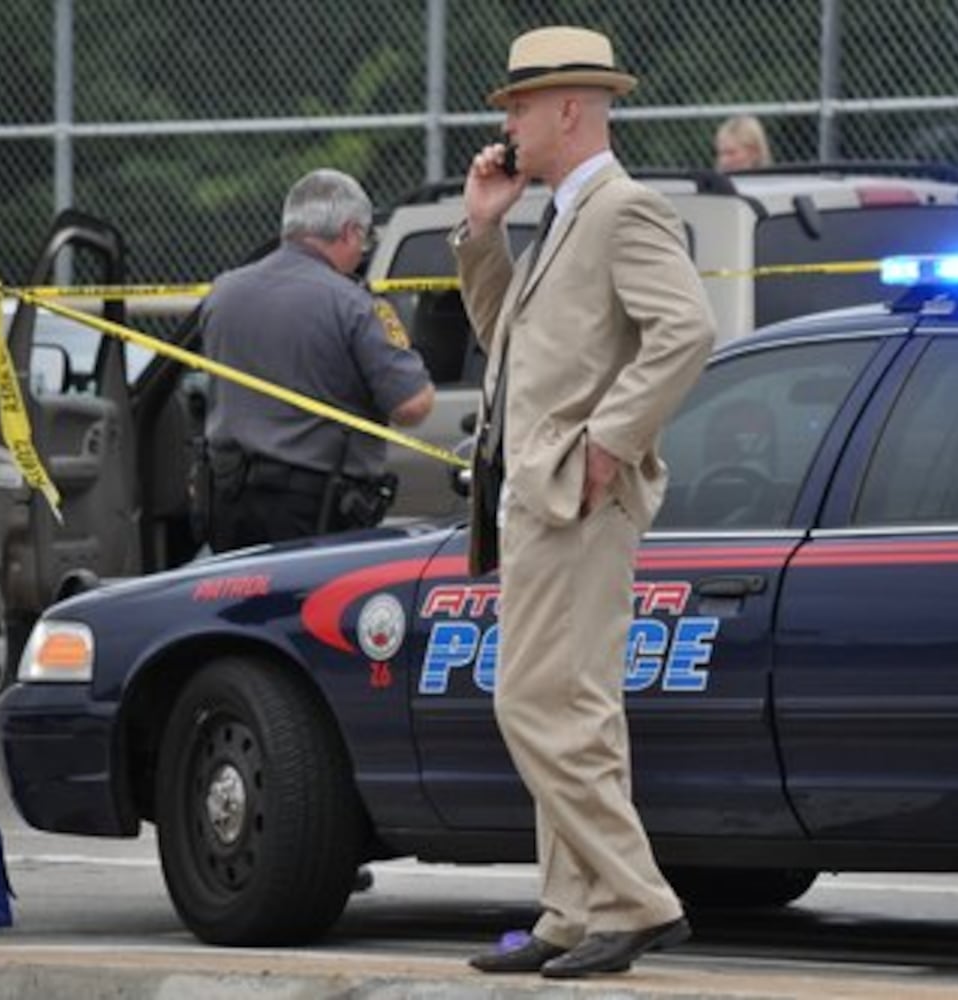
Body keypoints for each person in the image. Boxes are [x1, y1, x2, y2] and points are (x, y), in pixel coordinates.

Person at [453, 25, 716, 980]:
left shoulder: (620, 209)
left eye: (520, 107)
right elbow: (506, 342)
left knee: (531, 702)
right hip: (545, 497)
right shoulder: (563, 215)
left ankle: (637, 899)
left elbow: (687, 329)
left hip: (575, 496)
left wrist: (611, 440)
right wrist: (484, 232)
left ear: (569, 109)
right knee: (575, 711)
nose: (509, 126)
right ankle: (572, 911)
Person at [199, 168, 434, 552]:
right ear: (349, 232)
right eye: (364, 238)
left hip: (227, 500)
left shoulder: (223, 292)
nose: (362, 251)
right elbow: (412, 405)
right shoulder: (355, 304)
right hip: (314, 511)